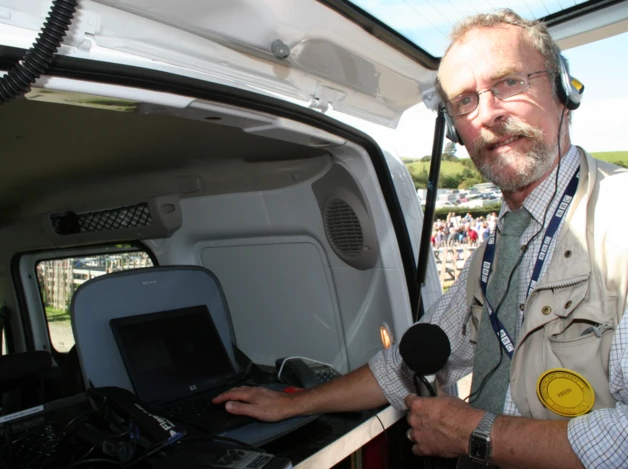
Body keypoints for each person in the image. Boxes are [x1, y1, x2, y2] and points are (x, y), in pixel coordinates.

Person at [214, 9, 628, 468]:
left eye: (510, 82)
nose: (488, 113)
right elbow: (407, 361)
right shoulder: (499, 250)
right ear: (456, 129)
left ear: (562, 91)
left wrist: (475, 434)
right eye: (465, 101)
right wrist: (294, 404)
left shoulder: (620, 224)